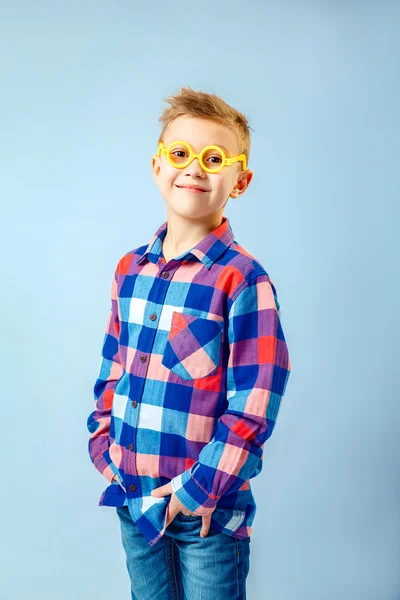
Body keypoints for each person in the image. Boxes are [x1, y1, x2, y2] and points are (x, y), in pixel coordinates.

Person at [86, 85, 292, 600]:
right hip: (134, 497)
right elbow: (115, 367)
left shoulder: (242, 279)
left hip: (206, 511)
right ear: (158, 167)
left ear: (239, 181)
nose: (194, 168)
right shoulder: (128, 270)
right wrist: (104, 444)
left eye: (214, 158)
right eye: (181, 153)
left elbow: (256, 401)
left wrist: (200, 489)